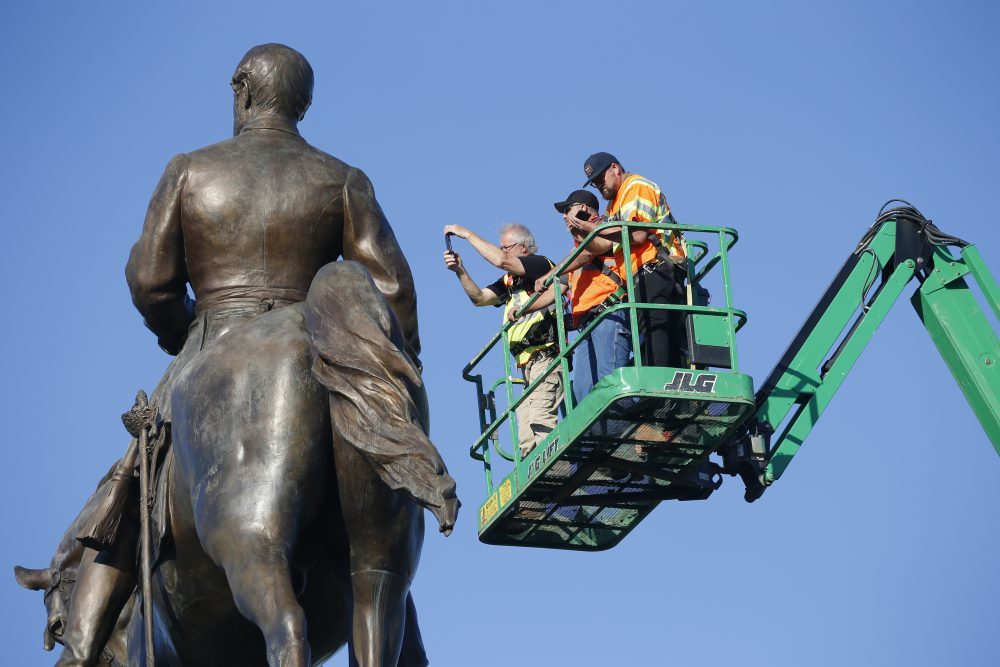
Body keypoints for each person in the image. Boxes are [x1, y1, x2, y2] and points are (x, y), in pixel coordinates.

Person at [36, 43, 454, 666]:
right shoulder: (344, 179)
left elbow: (150, 280)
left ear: (242, 90)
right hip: (328, 341)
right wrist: (403, 372)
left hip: (212, 339)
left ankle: (82, 648)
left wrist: (184, 336)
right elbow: (392, 289)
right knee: (381, 560)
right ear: (303, 105)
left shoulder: (191, 170)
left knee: (124, 495)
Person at [443, 223, 564, 458]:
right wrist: (460, 270)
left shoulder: (540, 264)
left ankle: (557, 466)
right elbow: (479, 298)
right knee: (526, 438)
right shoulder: (510, 281)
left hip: (546, 355)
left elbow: (501, 261)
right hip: (526, 365)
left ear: (523, 247)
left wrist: (466, 234)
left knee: (540, 418)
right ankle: (537, 475)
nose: (502, 251)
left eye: (506, 247)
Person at [582, 151, 687, 369]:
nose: (599, 185)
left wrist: (594, 229)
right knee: (649, 332)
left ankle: (659, 382)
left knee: (655, 328)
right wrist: (583, 231)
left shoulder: (636, 186)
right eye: (594, 183)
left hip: (656, 266)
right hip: (639, 274)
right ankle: (658, 381)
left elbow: (638, 235)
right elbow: (604, 244)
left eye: (600, 178)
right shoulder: (615, 204)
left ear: (615, 168)